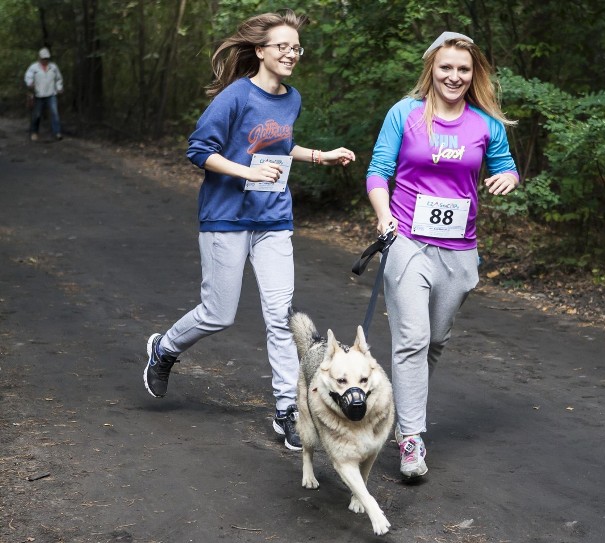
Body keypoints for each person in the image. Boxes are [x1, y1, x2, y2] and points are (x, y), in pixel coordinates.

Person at [142, 10, 356, 451]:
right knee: (219, 313)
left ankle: (286, 412)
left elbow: (278, 144)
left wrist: (320, 156)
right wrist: (245, 172)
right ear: (260, 51)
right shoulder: (235, 97)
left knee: (281, 318)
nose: (291, 54)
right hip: (226, 216)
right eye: (282, 46)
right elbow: (199, 149)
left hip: (274, 218)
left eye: (296, 47)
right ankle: (164, 349)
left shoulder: (291, 98)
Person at [364, 31, 519, 478]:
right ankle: (411, 439)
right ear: (432, 68)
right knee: (411, 337)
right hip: (407, 238)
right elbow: (378, 172)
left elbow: (505, 166)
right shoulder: (405, 113)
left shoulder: (484, 124)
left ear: (474, 76)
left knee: (434, 340)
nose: (454, 76)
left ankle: (400, 407)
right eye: (446, 67)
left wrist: (507, 178)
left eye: (463, 69)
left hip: (459, 249)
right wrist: (383, 216)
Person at [24, 47, 64, 141]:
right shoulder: (33, 67)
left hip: (51, 94)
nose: (45, 60)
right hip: (38, 94)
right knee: (37, 114)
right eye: (43, 58)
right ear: (39, 58)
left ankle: (57, 132)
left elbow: (59, 78)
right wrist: (30, 83)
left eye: (46, 58)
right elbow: (28, 76)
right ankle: (34, 132)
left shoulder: (53, 67)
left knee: (55, 113)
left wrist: (59, 88)